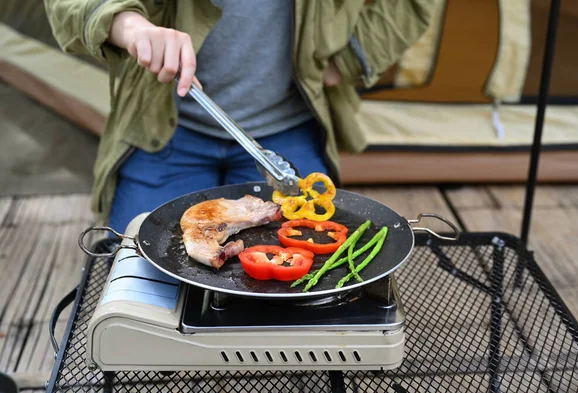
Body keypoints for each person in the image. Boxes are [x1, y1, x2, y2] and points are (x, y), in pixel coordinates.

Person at [44, 0, 434, 233]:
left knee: (312, 272)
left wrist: (355, 55)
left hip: (288, 127)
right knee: (137, 277)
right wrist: (129, 25)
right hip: (161, 128)